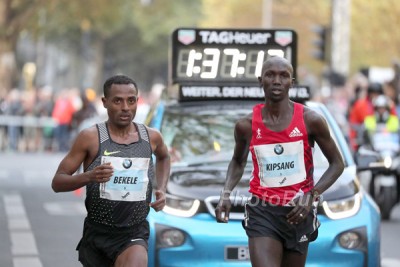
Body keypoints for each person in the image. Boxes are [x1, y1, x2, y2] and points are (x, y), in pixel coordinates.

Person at [214, 56, 344, 267]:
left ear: (291, 83)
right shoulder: (246, 126)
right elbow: (237, 162)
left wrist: (311, 196)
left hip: (298, 211)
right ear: (260, 80)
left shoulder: (311, 120)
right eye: (270, 75)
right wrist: (226, 192)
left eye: (283, 76)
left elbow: (337, 164)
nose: (276, 80)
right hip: (262, 210)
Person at [51, 74, 170, 267]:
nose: (125, 108)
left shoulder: (151, 137)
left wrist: (162, 188)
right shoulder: (90, 137)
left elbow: (164, 157)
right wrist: (89, 176)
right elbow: (57, 182)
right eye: (117, 101)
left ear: (137, 101)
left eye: (131, 101)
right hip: (97, 234)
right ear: (105, 103)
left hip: (134, 233)